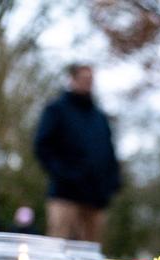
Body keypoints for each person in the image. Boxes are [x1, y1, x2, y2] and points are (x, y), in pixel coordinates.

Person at [34, 63, 121, 243]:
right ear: (72, 79)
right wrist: (64, 174)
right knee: (59, 244)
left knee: (89, 250)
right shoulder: (56, 110)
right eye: (84, 78)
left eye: (91, 79)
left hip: (95, 196)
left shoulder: (99, 117)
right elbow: (42, 146)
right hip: (65, 193)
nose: (88, 83)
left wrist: (112, 183)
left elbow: (109, 152)